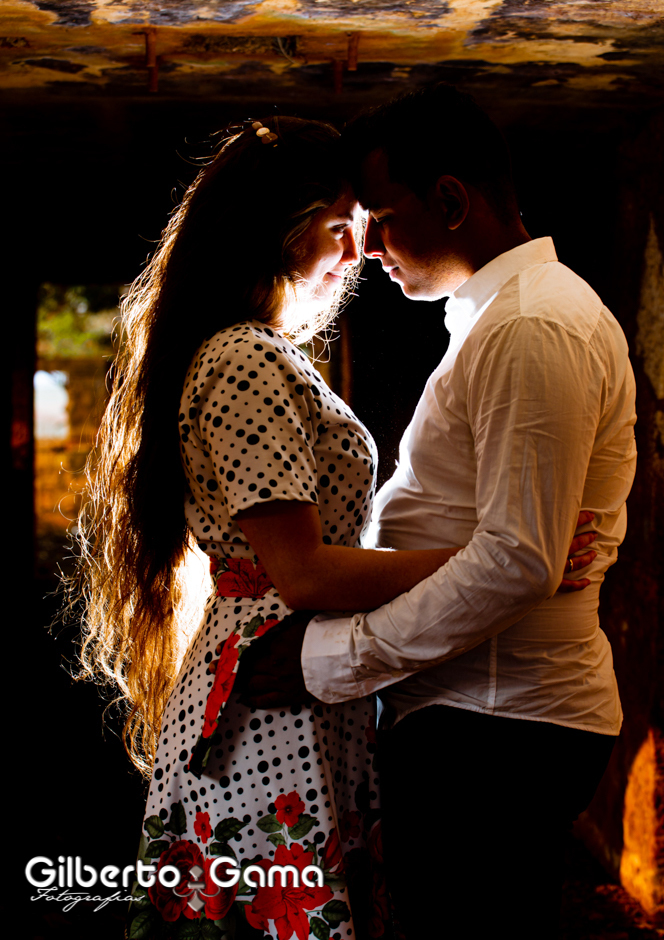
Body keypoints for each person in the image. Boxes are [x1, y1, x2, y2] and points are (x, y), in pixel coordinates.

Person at [74, 114, 595, 940]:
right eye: (340, 229)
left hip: (295, 688)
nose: (360, 254)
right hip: (271, 699)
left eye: (366, 227)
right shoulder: (244, 357)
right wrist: (490, 557)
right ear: (277, 231)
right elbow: (306, 573)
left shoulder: (261, 353)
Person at [240, 87, 638, 940]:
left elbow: (517, 561)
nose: (368, 249)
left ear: (452, 200)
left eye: (383, 219)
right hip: (479, 718)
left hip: (496, 724)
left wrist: (334, 661)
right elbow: (512, 547)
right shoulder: (501, 321)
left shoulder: (533, 327)